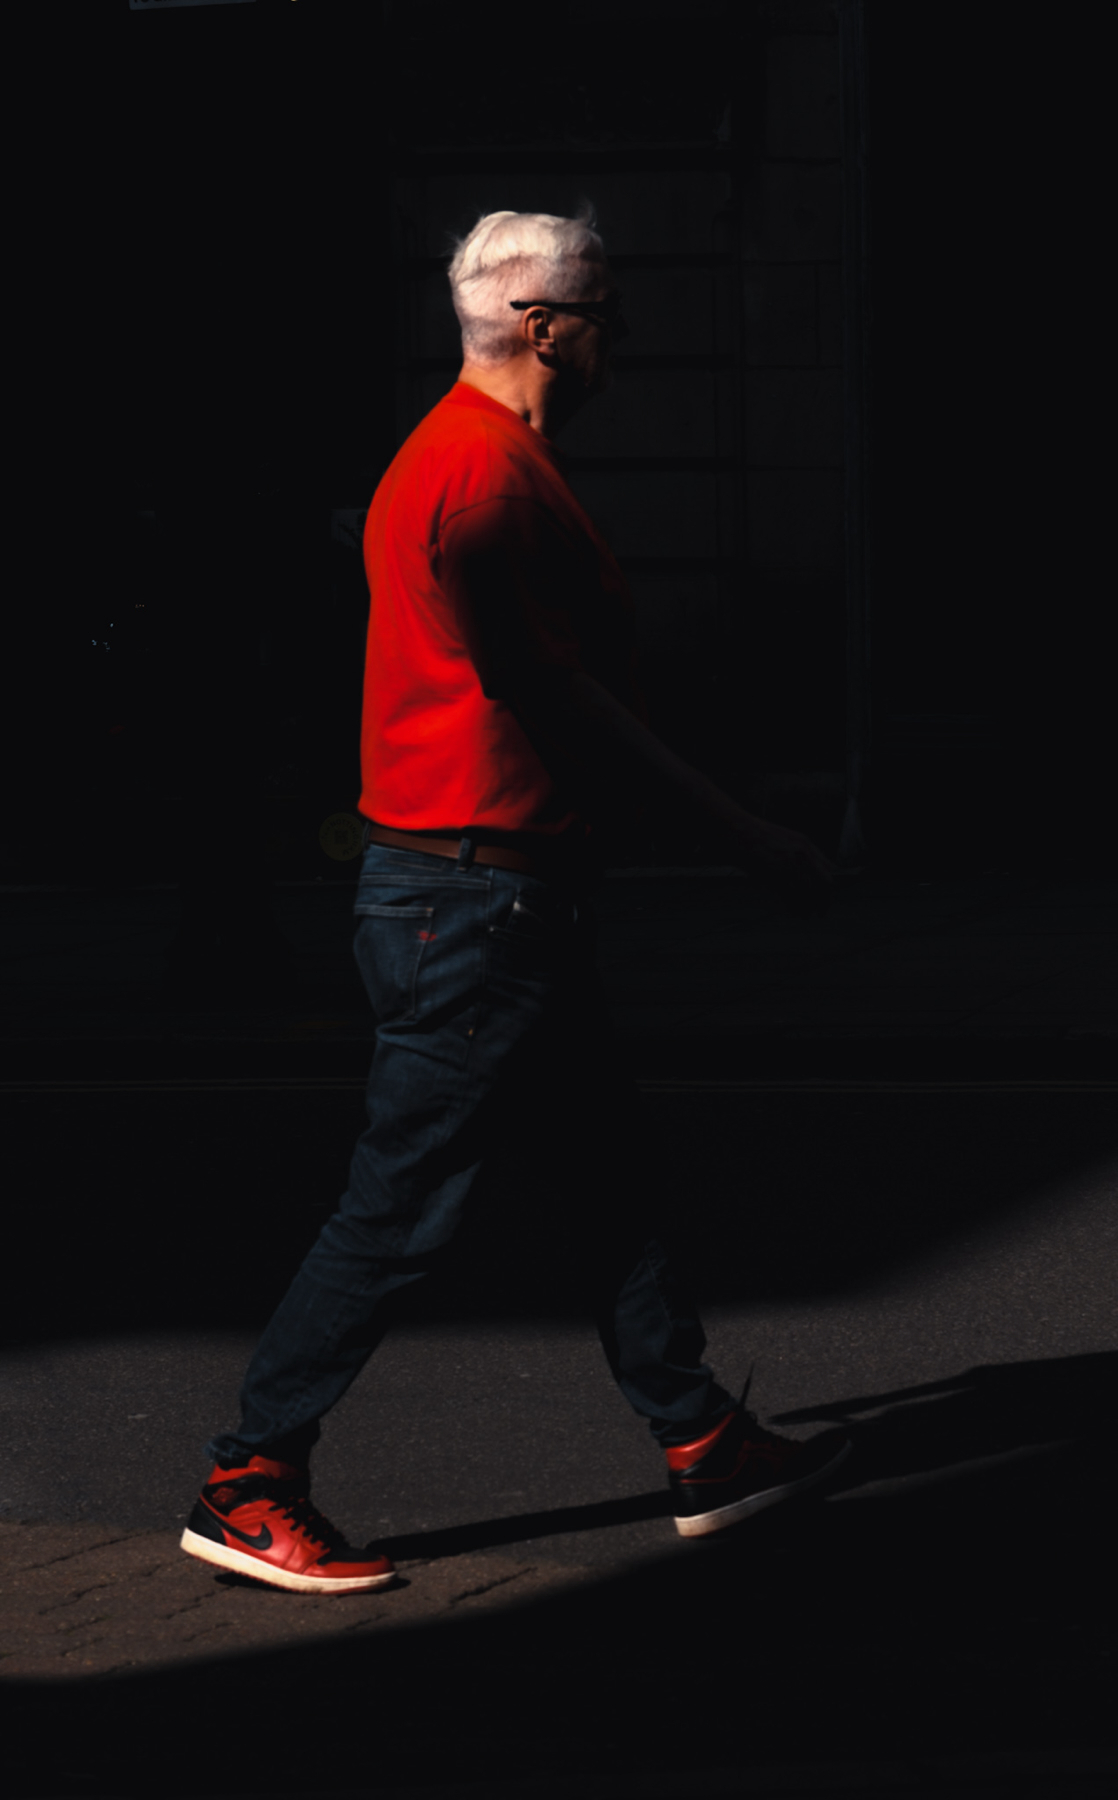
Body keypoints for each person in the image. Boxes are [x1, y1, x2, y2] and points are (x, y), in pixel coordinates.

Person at [181, 207, 850, 1595]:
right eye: (608, 308)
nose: (625, 336)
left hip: (495, 900)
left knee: (609, 1175)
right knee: (401, 1207)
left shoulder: (474, 455)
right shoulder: (482, 482)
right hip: (469, 910)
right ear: (545, 328)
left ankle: (698, 1437)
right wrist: (745, 838)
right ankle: (250, 1478)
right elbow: (562, 701)